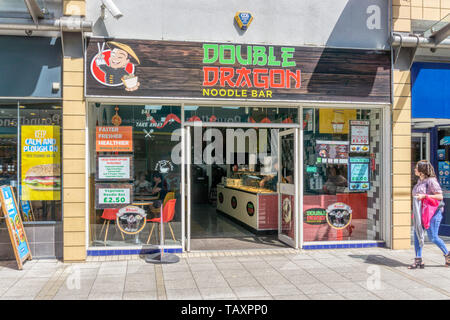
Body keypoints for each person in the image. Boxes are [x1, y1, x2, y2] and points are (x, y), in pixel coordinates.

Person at [409, 160, 450, 269]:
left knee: (433, 237)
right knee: (418, 234)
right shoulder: (420, 180)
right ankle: (418, 260)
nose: (414, 169)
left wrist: (425, 196)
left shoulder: (431, 181)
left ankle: (448, 254)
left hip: (433, 213)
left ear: (422, 170)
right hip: (421, 212)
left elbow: (440, 196)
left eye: (416, 168)